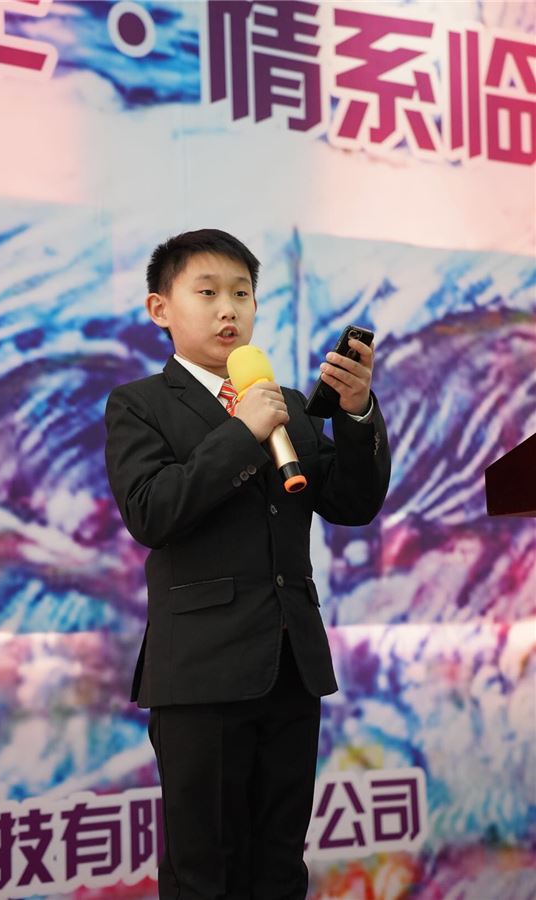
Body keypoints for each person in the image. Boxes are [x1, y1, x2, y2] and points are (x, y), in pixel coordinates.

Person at [105, 228, 390, 899]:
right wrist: (241, 433)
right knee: (204, 872)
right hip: (201, 672)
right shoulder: (139, 405)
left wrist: (355, 415)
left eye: (241, 294)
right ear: (160, 308)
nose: (228, 309)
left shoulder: (287, 403)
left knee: (279, 866)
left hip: (292, 665)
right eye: (206, 293)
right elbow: (152, 511)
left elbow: (352, 504)